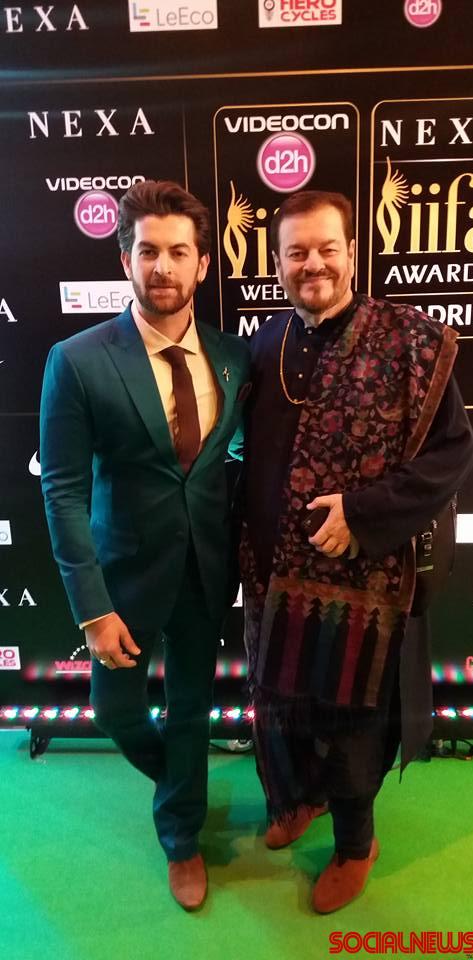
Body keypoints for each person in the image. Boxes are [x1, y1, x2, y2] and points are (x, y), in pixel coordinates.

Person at [240, 190, 473, 913]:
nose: (312, 263)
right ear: (277, 262)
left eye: (327, 248)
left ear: (351, 252)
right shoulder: (265, 343)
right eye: (296, 252)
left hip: (362, 578)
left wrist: (362, 514)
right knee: (280, 704)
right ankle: (299, 799)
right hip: (272, 574)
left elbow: (452, 455)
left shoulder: (409, 343)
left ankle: (354, 844)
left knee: (352, 723)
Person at [40, 180, 250, 911]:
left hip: (205, 573)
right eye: (148, 251)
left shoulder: (233, 358)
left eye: (179, 252)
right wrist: (92, 609)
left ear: (202, 265)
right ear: (125, 259)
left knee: (191, 709)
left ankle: (181, 836)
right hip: (121, 580)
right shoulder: (77, 359)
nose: (163, 267)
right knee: (116, 713)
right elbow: (62, 491)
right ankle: (182, 782)